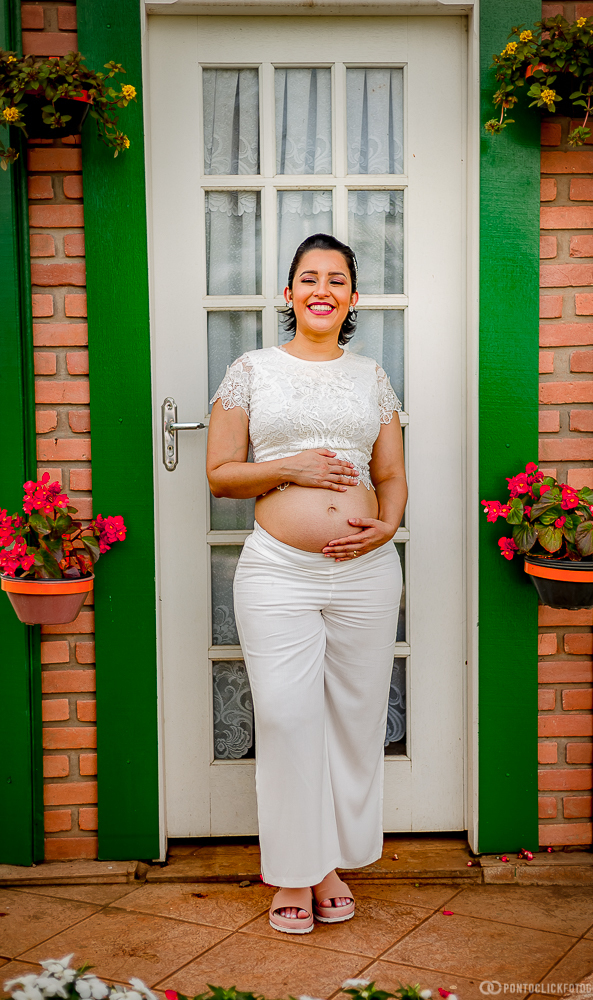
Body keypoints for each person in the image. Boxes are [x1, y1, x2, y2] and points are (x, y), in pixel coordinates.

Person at [206, 233, 407, 934]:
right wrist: (290, 468)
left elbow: (389, 474)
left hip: (365, 573)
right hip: (278, 573)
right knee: (289, 718)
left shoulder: (370, 377)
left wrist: (388, 525)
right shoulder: (250, 370)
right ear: (289, 294)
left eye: (336, 279)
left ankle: (330, 864)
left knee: (353, 720)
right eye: (308, 277)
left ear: (352, 298)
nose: (322, 288)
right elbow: (221, 473)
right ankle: (294, 873)